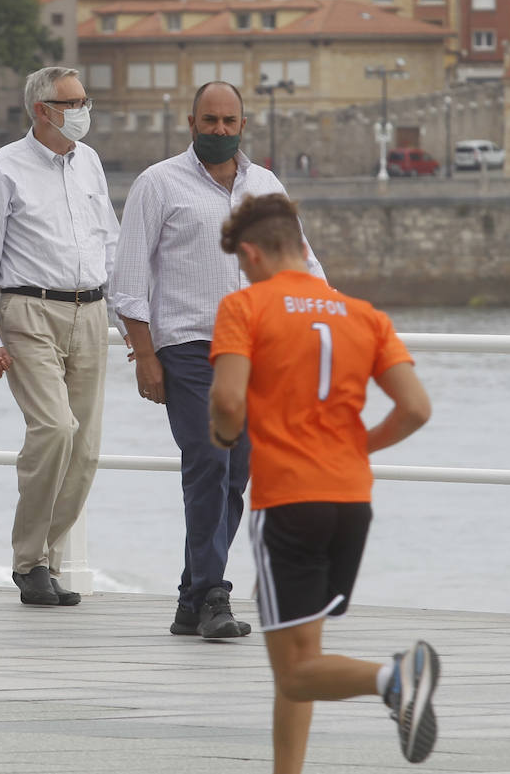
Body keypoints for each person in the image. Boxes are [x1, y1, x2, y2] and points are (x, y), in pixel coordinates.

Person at [209, 193, 438, 771]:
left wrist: (223, 435)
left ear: (254, 253)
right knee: (303, 658)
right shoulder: (364, 315)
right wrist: (358, 446)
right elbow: (415, 409)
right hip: (351, 502)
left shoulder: (246, 307)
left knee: (293, 669)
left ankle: (395, 677)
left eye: (241, 261)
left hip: (288, 499)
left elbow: (229, 398)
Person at [113, 80, 324, 639]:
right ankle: (213, 596)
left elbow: (301, 265)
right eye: (211, 121)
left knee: (235, 472)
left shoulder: (266, 186)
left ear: (243, 125)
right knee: (207, 459)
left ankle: (192, 597)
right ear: (191, 123)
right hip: (187, 347)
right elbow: (128, 282)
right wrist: (144, 356)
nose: (221, 131)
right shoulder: (158, 185)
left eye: (230, 122)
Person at [0, 65, 122, 607]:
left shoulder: (91, 164)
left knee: (86, 448)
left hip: (92, 312)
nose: (83, 109)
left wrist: (130, 321)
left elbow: (110, 241)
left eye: (85, 99)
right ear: (42, 110)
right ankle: (28, 559)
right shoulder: (3, 168)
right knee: (54, 428)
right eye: (72, 101)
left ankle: (47, 560)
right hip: (29, 311)